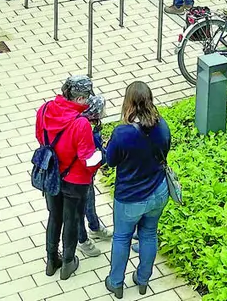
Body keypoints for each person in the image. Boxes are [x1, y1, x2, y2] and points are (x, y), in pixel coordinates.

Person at [102, 81, 172, 298]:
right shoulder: (162, 126)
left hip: (130, 198)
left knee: (122, 237)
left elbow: (110, 161)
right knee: (149, 233)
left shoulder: (122, 133)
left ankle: (116, 283)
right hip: (159, 191)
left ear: (128, 103)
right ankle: (142, 280)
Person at [35, 75, 102, 280]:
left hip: (51, 175)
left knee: (54, 216)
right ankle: (68, 263)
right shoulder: (80, 123)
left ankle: (50, 261)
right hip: (75, 180)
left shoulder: (45, 109)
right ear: (81, 99)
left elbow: (40, 137)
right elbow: (87, 159)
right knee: (72, 219)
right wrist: (101, 154)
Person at [76, 95, 111, 257]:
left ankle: (95, 227)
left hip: (87, 177)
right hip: (79, 177)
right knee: (79, 208)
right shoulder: (86, 130)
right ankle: (82, 239)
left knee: (90, 200)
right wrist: (104, 153)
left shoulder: (91, 125)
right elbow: (92, 157)